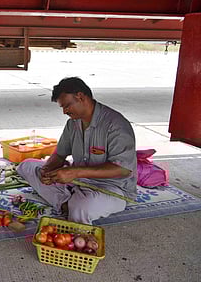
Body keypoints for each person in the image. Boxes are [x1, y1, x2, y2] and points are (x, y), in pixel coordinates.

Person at [17, 77, 137, 224]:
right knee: (26, 166)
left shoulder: (116, 125)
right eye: (62, 107)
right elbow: (60, 154)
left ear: (80, 97)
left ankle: (69, 204)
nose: (64, 111)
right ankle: (67, 203)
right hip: (77, 182)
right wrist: (47, 170)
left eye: (67, 106)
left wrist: (75, 172)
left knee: (81, 208)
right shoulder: (72, 123)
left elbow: (123, 170)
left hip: (112, 189)